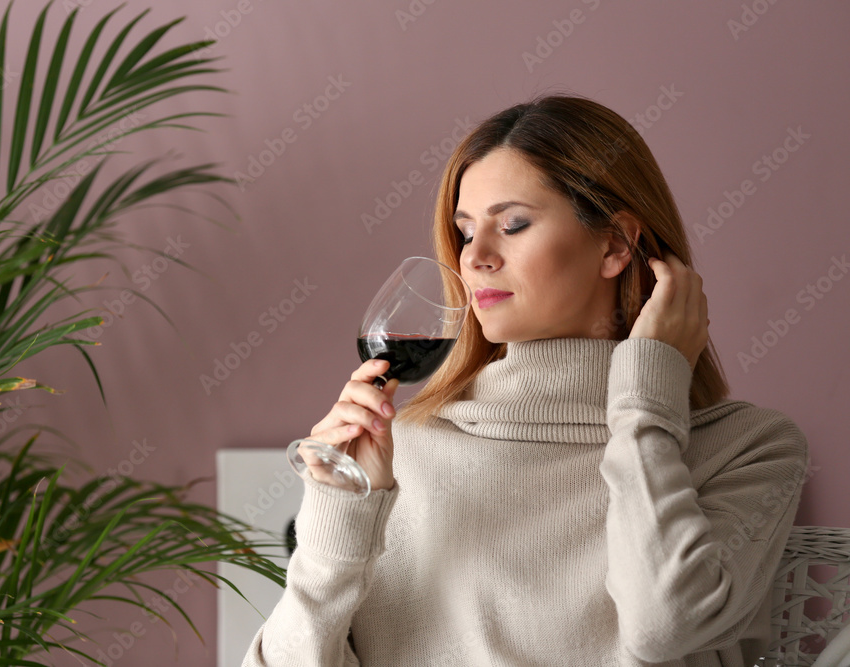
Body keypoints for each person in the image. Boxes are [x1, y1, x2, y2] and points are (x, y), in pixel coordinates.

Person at [242, 94, 808, 666]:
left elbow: (666, 626)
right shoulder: (403, 450)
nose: (475, 257)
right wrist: (338, 520)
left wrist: (645, 402)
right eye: (465, 233)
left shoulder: (748, 448)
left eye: (513, 225)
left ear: (614, 244)